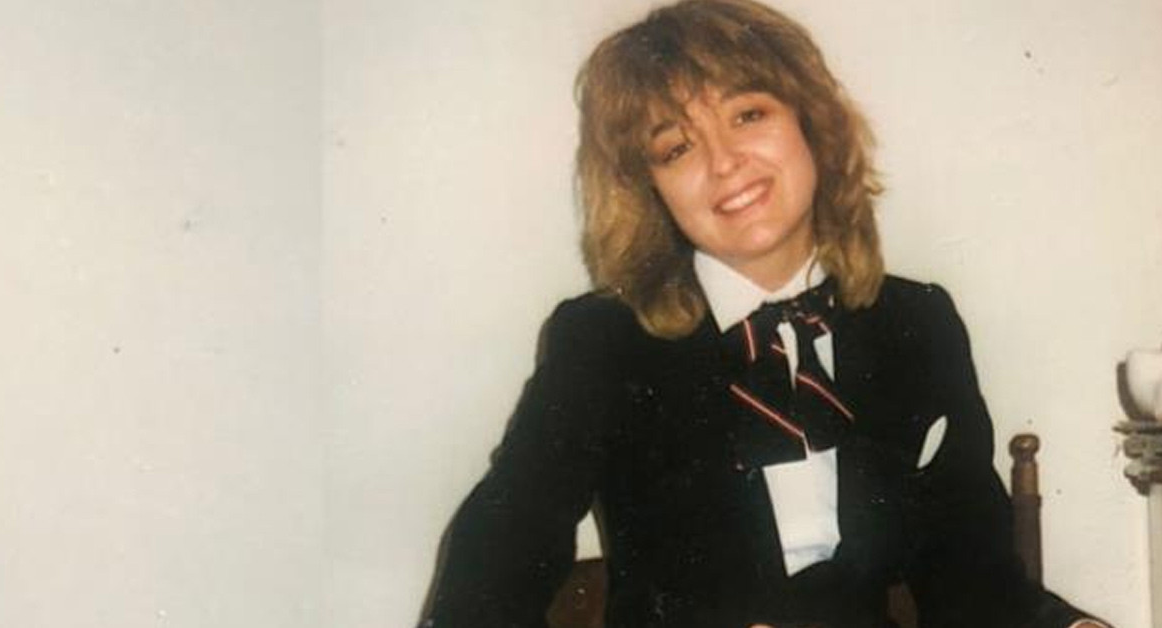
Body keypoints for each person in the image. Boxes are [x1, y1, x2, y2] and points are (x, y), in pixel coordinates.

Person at [420, 1, 1105, 626]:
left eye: (748, 114)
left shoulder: (915, 322)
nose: (724, 163)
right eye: (676, 147)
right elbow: (484, 581)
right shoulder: (602, 344)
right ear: (649, 189)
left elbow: (974, 578)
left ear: (811, 122)